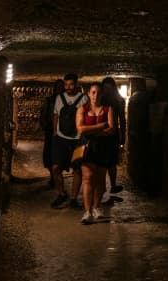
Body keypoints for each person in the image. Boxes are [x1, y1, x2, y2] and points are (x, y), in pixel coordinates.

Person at [76, 82, 115, 224]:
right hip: (87, 149)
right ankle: (87, 212)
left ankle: (96, 207)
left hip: (103, 149)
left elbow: (111, 130)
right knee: (88, 178)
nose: (95, 95)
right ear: (88, 93)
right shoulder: (82, 109)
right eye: (93, 92)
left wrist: (91, 130)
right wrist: (100, 126)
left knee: (100, 181)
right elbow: (80, 129)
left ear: (102, 94)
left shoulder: (108, 109)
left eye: (98, 92)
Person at [50, 73, 88, 209]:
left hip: (77, 140)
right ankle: (61, 193)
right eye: (66, 84)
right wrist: (55, 131)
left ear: (76, 84)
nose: (68, 87)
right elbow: (55, 115)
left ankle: (73, 198)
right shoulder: (59, 98)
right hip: (61, 139)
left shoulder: (84, 99)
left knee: (77, 169)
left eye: (71, 84)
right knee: (55, 168)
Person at [101, 77, 126, 194]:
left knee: (111, 161)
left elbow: (122, 118)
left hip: (112, 134)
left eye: (109, 88)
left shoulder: (119, 100)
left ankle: (113, 185)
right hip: (100, 133)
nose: (107, 90)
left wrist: (123, 134)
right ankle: (102, 186)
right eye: (105, 88)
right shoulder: (100, 99)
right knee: (101, 161)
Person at [40, 79, 64, 188]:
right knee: (49, 155)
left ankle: (57, 177)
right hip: (51, 131)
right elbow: (43, 114)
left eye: (61, 87)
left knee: (60, 156)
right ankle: (53, 176)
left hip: (63, 132)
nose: (59, 89)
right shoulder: (49, 100)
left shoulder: (66, 100)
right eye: (57, 87)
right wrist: (45, 126)